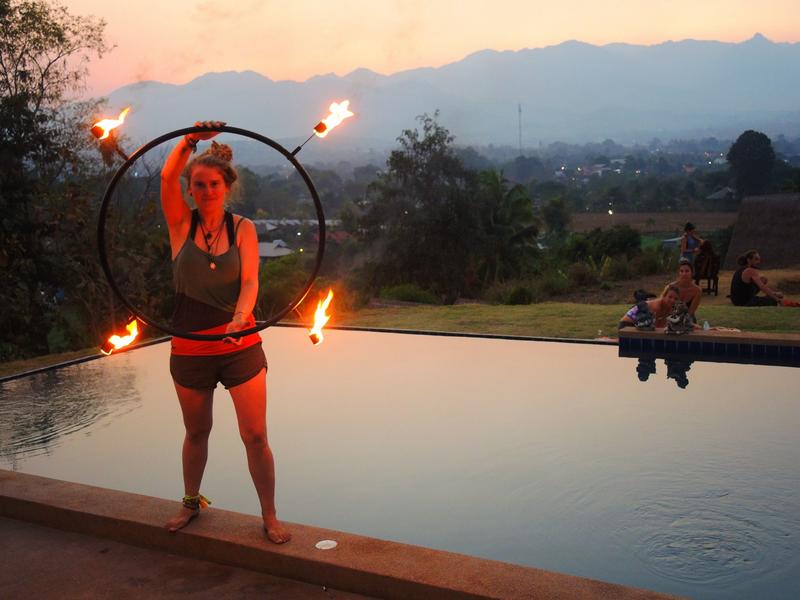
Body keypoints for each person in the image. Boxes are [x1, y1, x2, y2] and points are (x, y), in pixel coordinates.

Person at [160, 121, 290, 543]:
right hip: (191, 346)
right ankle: (190, 502)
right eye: (198, 184)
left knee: (255, 435)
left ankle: (269, 516)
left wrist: (241, 316)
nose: (206, 191)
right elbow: (166, 176)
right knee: (196, 432)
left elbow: (251, 281)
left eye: (214, 184)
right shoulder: (181, 226)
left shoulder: (244, 229)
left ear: (226, 186)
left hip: (239, 344)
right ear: (191, 189)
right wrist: (189, 141)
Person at [729, 250, 799, 307]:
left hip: (737, 300)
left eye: (759, 259)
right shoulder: (750, 270)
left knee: (763, 279)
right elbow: (762, 287)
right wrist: (778, 300)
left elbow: (761, 283)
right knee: (774, 301)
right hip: (745, 302)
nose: (758, 262)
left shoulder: (741, 269)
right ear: (748, 260)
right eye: (756, 259)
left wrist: (773, 293)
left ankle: (771, 296)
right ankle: (774, 299)